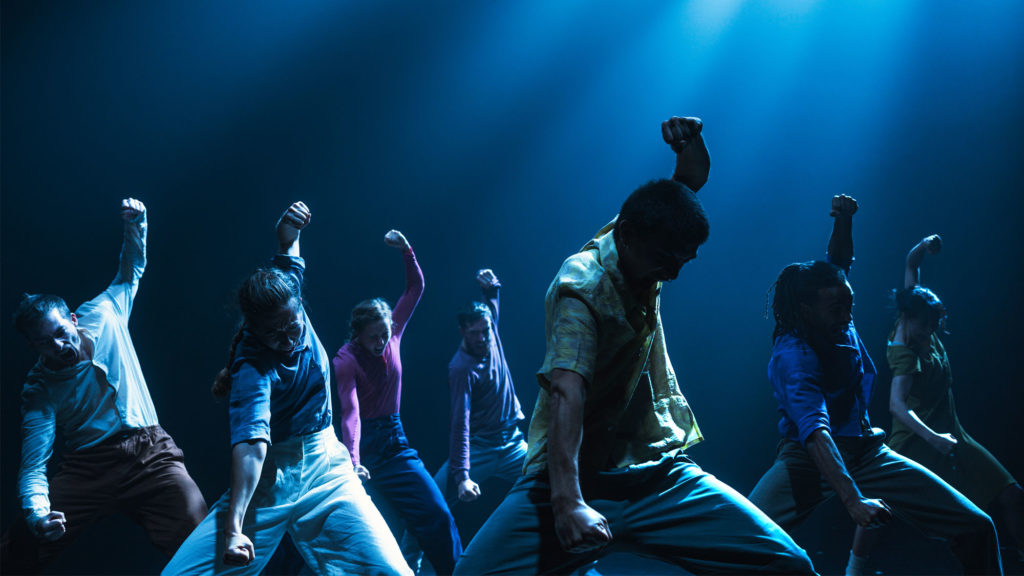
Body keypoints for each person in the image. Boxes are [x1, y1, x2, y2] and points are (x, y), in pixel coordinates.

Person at [453, 116, 816, 575]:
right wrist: (567, 502)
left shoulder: (645, 234)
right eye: (667, 260)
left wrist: (691, 141)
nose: (674, 273)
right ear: (627, 236)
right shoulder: (581, 285)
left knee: (789, 567)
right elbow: (568, 389)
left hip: (656, 474)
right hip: (572, 478)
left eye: (683, 261)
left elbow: (690, 180)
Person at [748, 196, 1003, 575]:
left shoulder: (832, 303)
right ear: (806, 311)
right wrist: (853, 502)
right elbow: (816, 432)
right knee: (744, 541)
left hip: (867, 453)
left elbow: (839, 261)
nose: (847, 317)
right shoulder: (794, 355)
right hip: (806, 460)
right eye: (837, 310)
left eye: (849, 306)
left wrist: (844, 220)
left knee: (977, 526)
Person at [162, 202, 410, 575]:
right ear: (254, 328)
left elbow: (288, 248)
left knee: (391, 570)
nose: (287, 338)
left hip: (327, 467)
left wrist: (289, 228)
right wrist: (233, 529)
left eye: (292, 325)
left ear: (299, 304)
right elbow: (251, 450)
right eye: (273, 333)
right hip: (270, 480)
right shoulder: (253, 366)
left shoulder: (286, 285)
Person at [1, 199, 208, 573]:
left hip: (151, 454)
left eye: (62, 334)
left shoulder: (105, 313)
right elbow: (34, 465)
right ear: (33, 346)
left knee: (201, 534)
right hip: (89, 468)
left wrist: (136, 224)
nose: (59, 348)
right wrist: (38, 515)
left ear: (74, 320)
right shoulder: (40, 389)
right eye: (44, 343)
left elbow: (131, 272)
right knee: (20, 544)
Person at [845, 234, 1023, 574]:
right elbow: (897, 406)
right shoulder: (904, 353)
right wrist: (933, 439)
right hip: (917, 441)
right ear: (907, 317)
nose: (931, 331)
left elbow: (911, 266)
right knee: (880, 506)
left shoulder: (914, 318)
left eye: (934, 324)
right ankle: (854, 569)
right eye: (926, 324)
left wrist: (924, 245)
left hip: (953, 436)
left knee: (1011, 493)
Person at [333, 230, 462, 575]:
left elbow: (415, 288)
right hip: (360, 445)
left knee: (436, 514)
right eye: (372, 337)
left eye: (384, 334)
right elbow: (350, 412)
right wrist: (354, 461)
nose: (380, 342)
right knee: (349, 531)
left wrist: (407, 250)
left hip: (393, 441)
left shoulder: (394, 332)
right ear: (357, 335)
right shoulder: (346, 360)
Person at [435, 268, 527, 507]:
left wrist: (491, 285)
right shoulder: (461, 368)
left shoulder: (491, 332)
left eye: (485, 331)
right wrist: (462, 476)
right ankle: (409, 547)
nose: (482, 339)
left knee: (554, 480)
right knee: (431, 501)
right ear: (462, 332)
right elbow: (459, 423)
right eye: (474, 334)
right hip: (480, 447)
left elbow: (492, 300)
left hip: (513, 443)